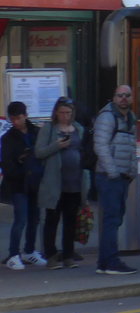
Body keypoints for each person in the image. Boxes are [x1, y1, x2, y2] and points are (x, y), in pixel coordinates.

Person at [34, 97, 89, 269]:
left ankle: (68, 255)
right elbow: (39, 152)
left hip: (75, 183)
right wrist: (56, 146)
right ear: (56, 113)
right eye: (62, 113)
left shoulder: (78, 129)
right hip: (54, 184)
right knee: (52, 220)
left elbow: (84, 152)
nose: (66, 116)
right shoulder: (49, 129)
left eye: (69, 113)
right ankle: (51, 255)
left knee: (70, 221)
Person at [92, 85, 139, 276]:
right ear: (114, 97)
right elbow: (100, 146)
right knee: (112, 219)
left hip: (122, 176)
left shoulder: (130, 118)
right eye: (120, 95)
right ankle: (111, 261)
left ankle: (105, 262)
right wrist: (112, 172)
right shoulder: (107, 116)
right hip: (110, 176)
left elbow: (132, 147)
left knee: (114, 219)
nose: (123, 99)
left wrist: (131, 172)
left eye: (127, 95)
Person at [1, 102, 47, 270]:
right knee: (20, 219)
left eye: (18, 118)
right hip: (19, 183)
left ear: (25, 116)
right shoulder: (8, 138)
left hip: (34, 181)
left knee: (34, 218)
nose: (15, 122)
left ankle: (29, 250)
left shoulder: (36, 132)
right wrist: (20, 163)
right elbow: (7, 164)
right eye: (12, 119)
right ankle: (13, 254)